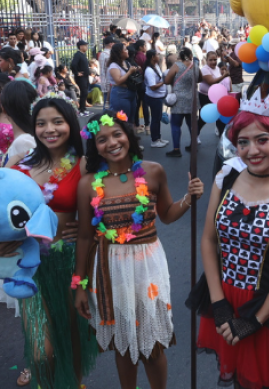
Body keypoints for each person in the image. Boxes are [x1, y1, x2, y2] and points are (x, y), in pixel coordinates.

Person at [191, 99, 269, 389]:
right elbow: (209, 241)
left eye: (262, 140)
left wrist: (256, 320)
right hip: (224, 296)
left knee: (268, 380)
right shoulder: (226, 177)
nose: (252, 150)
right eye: (243, 142)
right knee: (239, 378)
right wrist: (218, 303)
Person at [72, 110, 204, 389]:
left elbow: (167, 213)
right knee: (123, 343)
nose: (111, 142)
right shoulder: (87, 185)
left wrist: (189, 199)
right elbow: (85, 237)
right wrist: (80, 284)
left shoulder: (153, 171)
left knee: (152, 343)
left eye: (117, 134)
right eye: (102, 139)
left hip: (147, 266)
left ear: (128, 136)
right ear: (94, 146)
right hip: (109, 268)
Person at [0, 95, 98, 388]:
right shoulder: (21, 165)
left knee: (71, 339)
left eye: (58, 122)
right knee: (41, 351)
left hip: (69, 261)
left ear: (70, 124)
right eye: (42, 123)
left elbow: (102, 215)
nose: (50, 129)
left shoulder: (84, 165)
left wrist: (89, 232)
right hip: (29, 264)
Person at [164, 48, 198, 158]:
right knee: (191, 124)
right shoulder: (195, 66)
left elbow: (167, 80)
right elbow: (200, 79)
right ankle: (193, 145)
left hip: (179, 99)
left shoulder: (176, 66)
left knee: (176, 125)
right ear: (190, 55)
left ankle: (176, 149)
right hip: (192, 99)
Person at [107, 42, 141, 120]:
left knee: (131, 119)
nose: (127, 51)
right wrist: (129, 72)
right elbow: (118, 81)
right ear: (120, 52)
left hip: (131, 92)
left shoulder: (126, 62)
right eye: (125, 49)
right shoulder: (113, 66)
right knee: (122, 120)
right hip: (120, 94)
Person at [142, 50, 169, 148]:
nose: (159, 56)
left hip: (158, 97)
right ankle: (154, 140)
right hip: (154, 98)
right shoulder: (149, 70)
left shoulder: (156, 66)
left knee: (157, 118)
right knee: (155, 119)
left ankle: (158, 138)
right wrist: (164, 82)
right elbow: (152, 86)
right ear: (152, 57)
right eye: (157, 54)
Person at [71, 40, 92, 114]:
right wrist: (77, 73)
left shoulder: (83, 54)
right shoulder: (78, 54)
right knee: (84, 92)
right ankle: (81, 109)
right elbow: (73, 64)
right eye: (85, 45)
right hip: (81, 77)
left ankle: (83, 108)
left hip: (85, 77)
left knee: (85, 92)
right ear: (81, 46)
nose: (86, 47)